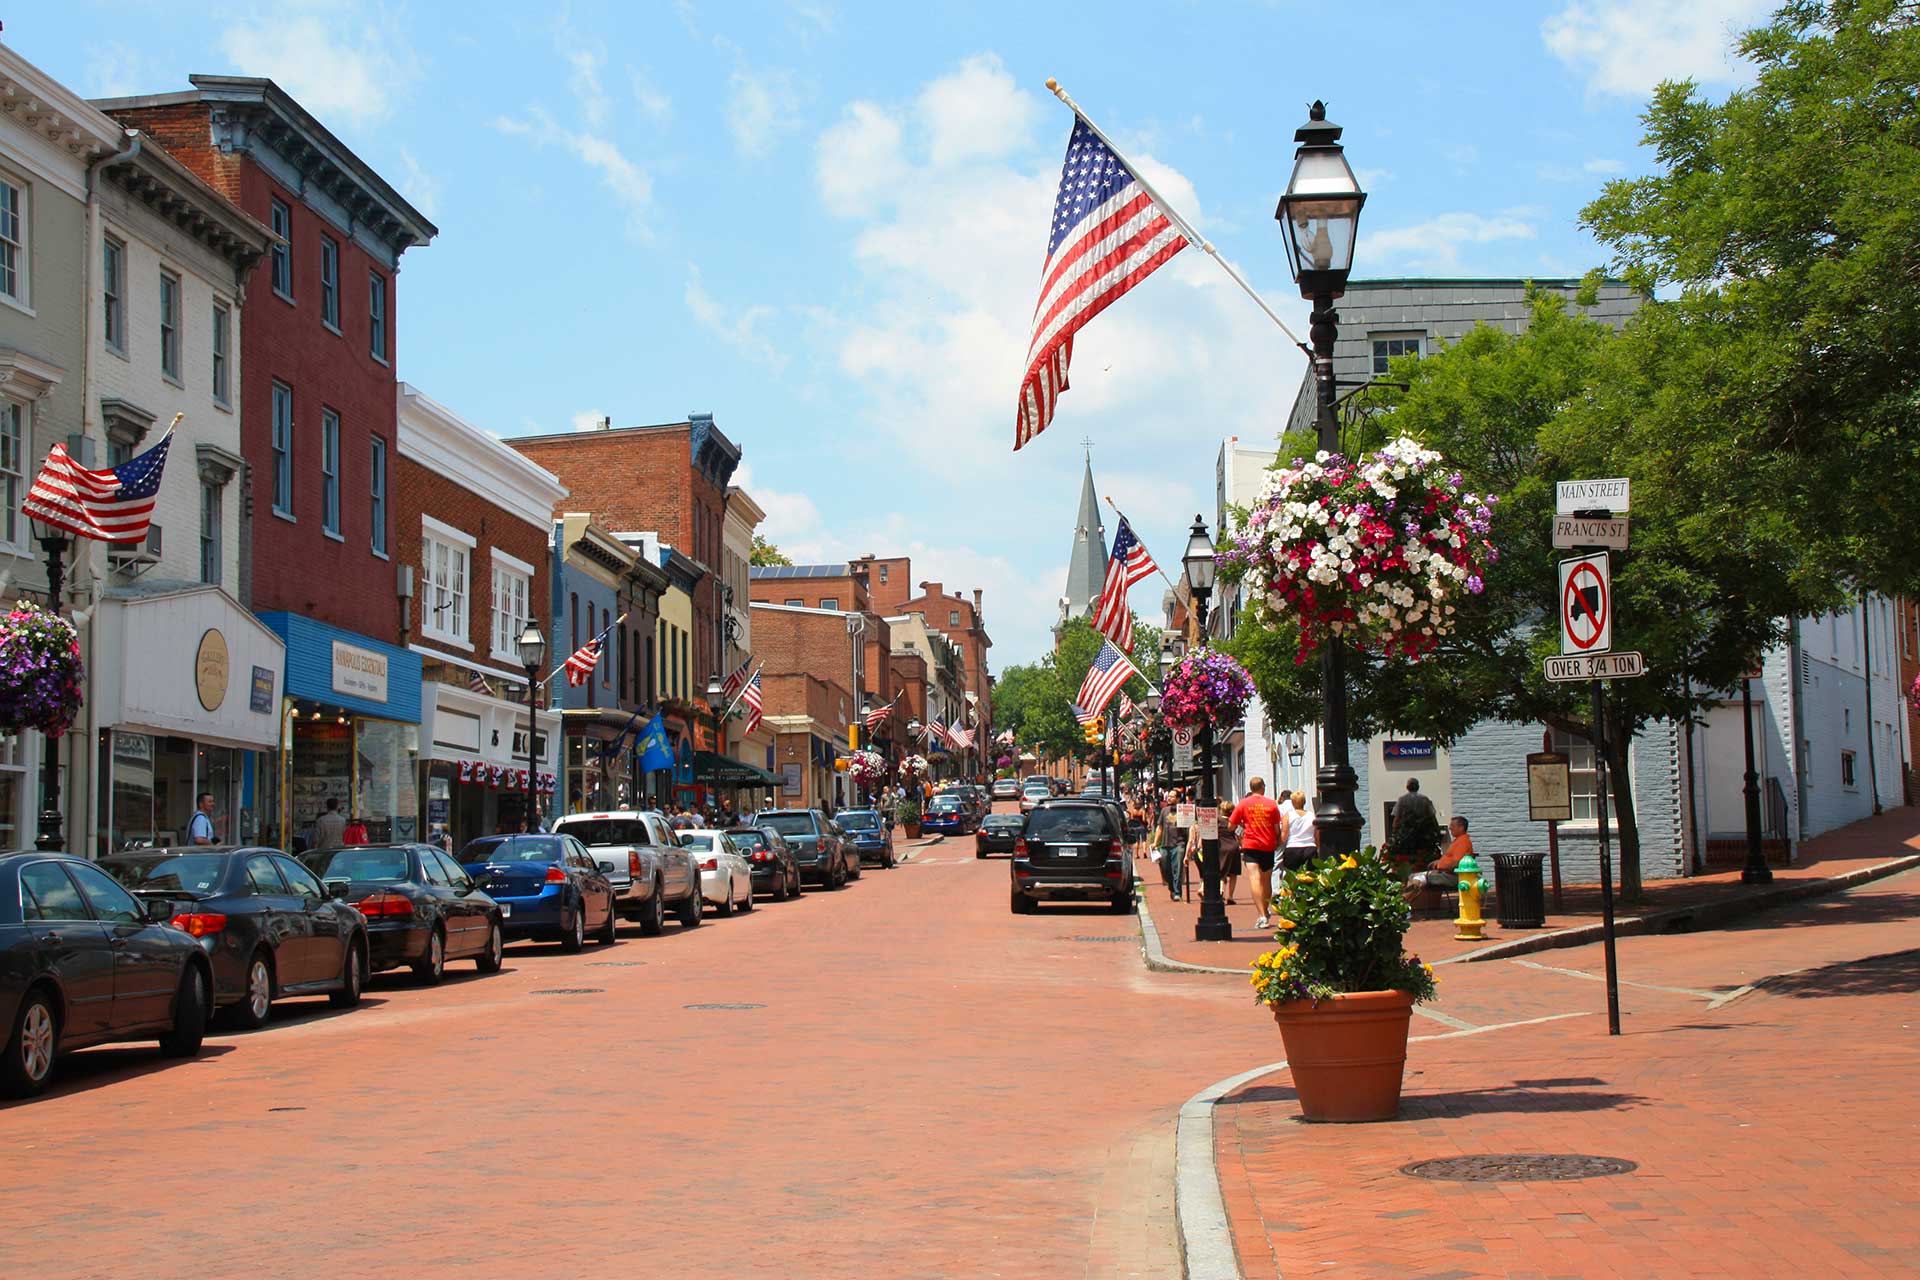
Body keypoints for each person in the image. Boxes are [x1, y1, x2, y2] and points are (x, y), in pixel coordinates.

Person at [1227, 779, 1283, 929]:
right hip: (1268, 845)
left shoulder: (1243, 804)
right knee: (1266, 880)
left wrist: (1244, 825)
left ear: (1251, 788)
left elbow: (1231, 826)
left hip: (1251, 844)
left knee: (1254, 878)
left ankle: (1262, 915)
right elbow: (1277, 828)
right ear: (1263, 787)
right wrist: (1277, 839)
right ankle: (1265, 910)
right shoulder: (1272, 804)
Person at [1406, 815, 1474, 899]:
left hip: (1453, 877)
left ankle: (1404, 902)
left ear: (1461, 828)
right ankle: (1407, 904)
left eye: (1453, 826)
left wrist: (1439, 865)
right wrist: (1439, 862)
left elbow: (1456, 863)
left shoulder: (1463, 843)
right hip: (1446, 873)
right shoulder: (1459, 841)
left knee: (1417, 878)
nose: (1450, 828)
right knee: (1413, 876)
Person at [1155, 793, 1186, 900]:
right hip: (1165, 844)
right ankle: (1172, 888)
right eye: (1169, 796)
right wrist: (1155, 842)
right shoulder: (1164, 811)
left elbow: (1190, 826)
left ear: (1178, 799)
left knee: (1177, 868)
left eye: (1172, 796)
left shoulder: (1183, 810)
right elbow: (1160, 827)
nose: (1169, 798)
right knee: (1165, 869)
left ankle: (1177, 892)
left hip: (1179, 843)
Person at [1281, 791, 1318, 871]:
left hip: (1292, 848)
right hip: (1310, 848)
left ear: (1293, 802)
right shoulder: (1312, 816)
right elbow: (1316, 834)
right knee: (1310, 877)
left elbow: (1284, 835)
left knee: (1292, 878)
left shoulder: (1288, 816)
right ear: (1304, 802)